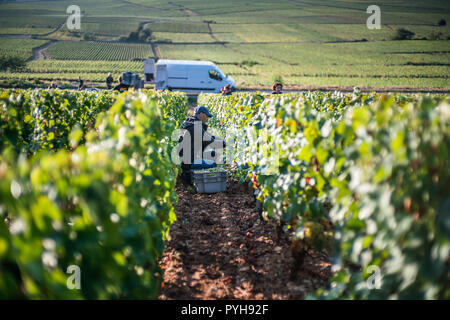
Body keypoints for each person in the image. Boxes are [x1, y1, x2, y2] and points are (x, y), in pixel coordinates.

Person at [178, 106, 225, 185]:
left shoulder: (191, 123)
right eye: (207, 116)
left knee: (213, 154)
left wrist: (221, 140)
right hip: (189, 162)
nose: (207, 119)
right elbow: (211, 143)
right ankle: (192, 178)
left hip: (191, 156)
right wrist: (224, 144)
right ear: (201, 114)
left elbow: (209, 136)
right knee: (213, 164)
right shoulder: (195, 127)